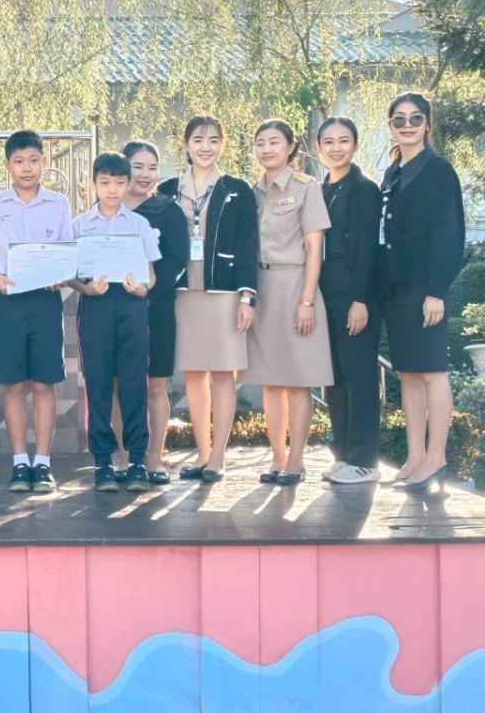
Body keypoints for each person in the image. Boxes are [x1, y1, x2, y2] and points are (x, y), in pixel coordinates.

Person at [158, 117, 258, 483]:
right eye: (198, 140)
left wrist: (247, 297)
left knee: (222, 373)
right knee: (193, 373)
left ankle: (218, 457)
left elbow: (248, 244)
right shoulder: (167, 189)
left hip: (224, 291)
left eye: (214, 140)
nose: (206, 147)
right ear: (186, 143)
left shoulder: (237, 189)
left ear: (222, 145)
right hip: (183, 291)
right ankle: (202, 453)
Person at [377, 92, 465, 493]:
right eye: (399, 119)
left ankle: (436, 458)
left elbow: (448, 235)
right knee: (408, 374)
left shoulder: (439, 171)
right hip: (396, 290)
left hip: (424, 289)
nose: (408, 125)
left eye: (416, 118)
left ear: (428, 124)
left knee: (433, 372)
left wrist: (437, 291)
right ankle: (414, 457)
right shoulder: (392, 172)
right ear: (391, 126)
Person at [0, 130, 74, 494]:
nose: (27, 168)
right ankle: (20, 462)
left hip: (46, 301)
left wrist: (60, 277)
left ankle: (43, 463)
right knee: (14, 384)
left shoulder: (59, 203)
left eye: (33, 160)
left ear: (43, 162)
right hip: (9, 300)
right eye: (19, 161)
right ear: (8, 165)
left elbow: (67, 252)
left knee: (44, 383)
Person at [242, 120, 333, 486]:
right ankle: (277, 457)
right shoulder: (252, 192)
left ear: (291, 147)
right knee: (270, 381)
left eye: (274, 142)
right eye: (260, 143)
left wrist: (306, 301)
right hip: (262, 290)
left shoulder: (306, 188)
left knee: (297, 381)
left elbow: (315, 249)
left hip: (296, 286)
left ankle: (296, 460)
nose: (266, 149)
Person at [71, 152, 161, 492]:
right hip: (95, 305)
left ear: (127, 185)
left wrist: (142, 289)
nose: (112, 190)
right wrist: (85, 288)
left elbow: (151, 274)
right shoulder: (79, 225)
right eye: (105, 183)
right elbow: (69, 274)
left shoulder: (138, 225)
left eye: (119, 183)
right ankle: (103, 463)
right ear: (93, 184)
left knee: (134, 383)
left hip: (131, 305)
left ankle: (136, 460)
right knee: (97, 385)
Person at [107, 140, 189, 486]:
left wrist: (148, 290)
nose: (145, 174)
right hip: (112, 309)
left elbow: (176, 261)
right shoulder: (107, 207)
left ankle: (154, 457)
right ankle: (125, 457)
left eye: (152, 168)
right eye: (137, 166)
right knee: (116, 383)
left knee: (156, 383)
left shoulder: (168, 210)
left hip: (156, 308)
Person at [316, 117, 384, 485]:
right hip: (325, 294)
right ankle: (343, 454)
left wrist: (361, 300)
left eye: (344, 140)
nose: (336, 148)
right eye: (329, 141)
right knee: (335, 377)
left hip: (354, 296)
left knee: (360, 376)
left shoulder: (364, 189)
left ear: (355, 145)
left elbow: (368, 249)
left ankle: (364, 460)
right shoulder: (321, 189)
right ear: (318, 148)